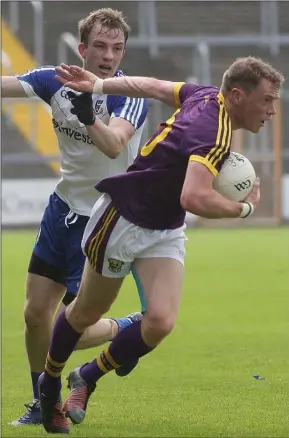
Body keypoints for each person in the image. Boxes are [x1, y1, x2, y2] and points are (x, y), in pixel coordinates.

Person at [38, 56, 284, 434]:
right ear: (238, 95)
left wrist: (99, 85)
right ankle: (49, 384)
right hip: (124, 219)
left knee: (160, 321)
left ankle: (85, 377)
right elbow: (194, 198)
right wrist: (244, 208)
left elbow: (150, 85)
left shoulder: (203, 95)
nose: (272, 109)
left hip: (163, 226)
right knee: (85, 313)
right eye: (267, 99)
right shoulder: (214, 133)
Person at [1, 8, 148, 425]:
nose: (108, 56)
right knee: (34, 315)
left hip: (105, 217)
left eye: (117, 48)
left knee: (70, 329)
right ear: (82, 49)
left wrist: (88, 114)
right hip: (62, 209)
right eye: (100, 46)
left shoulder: (129, 92)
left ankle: (125, 328)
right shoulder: (55, 80)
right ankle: (42, 403)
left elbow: (115, 146)